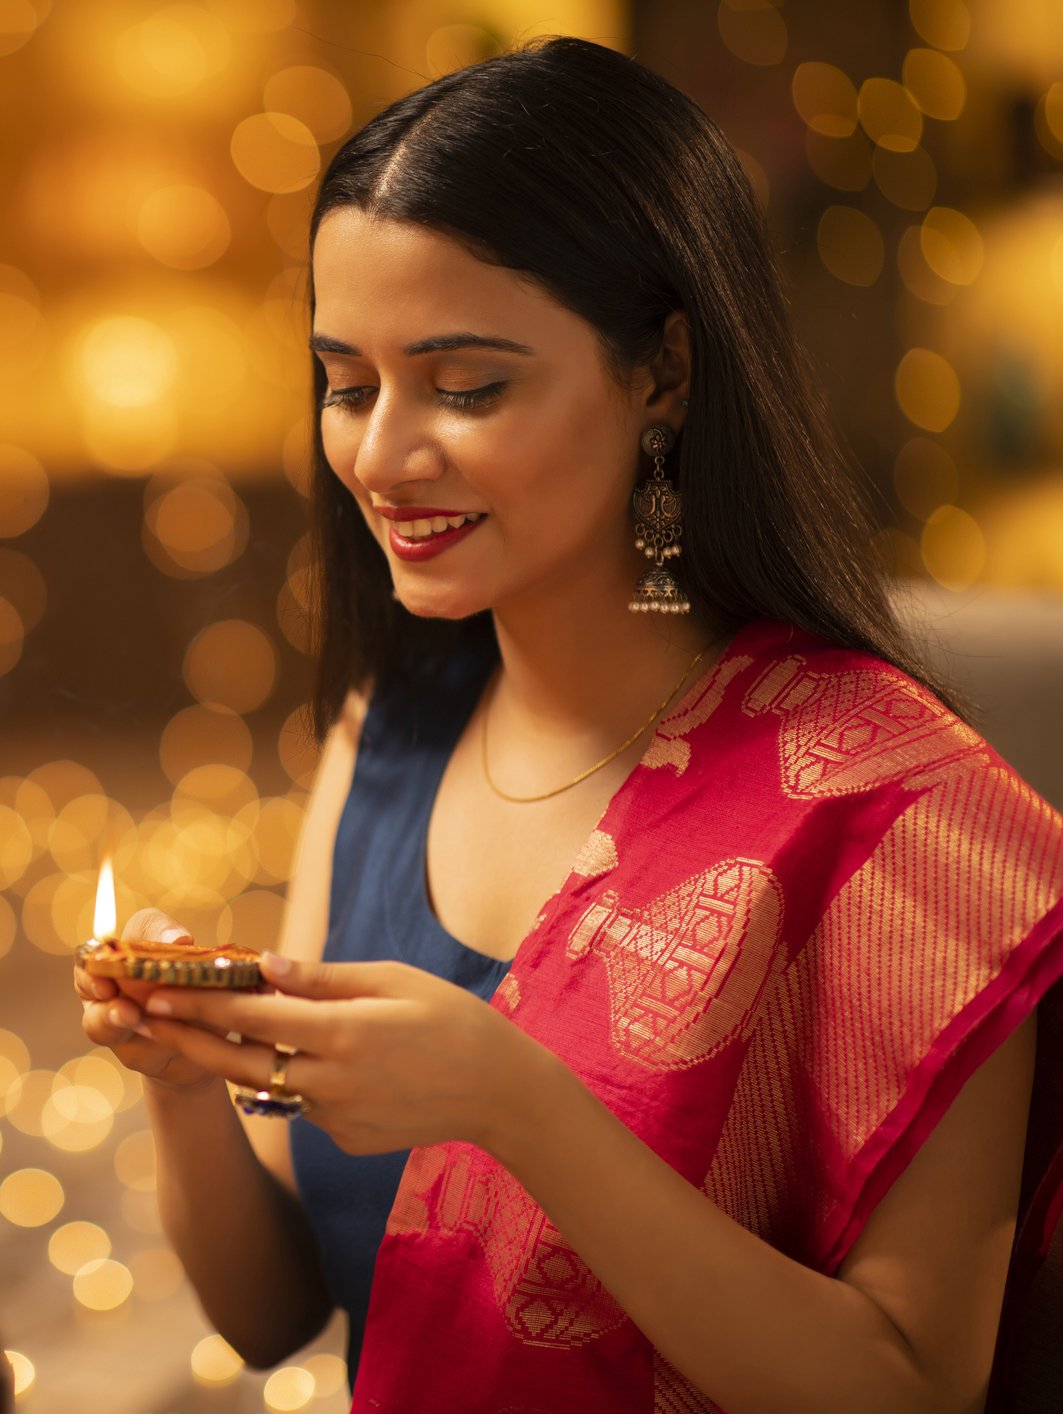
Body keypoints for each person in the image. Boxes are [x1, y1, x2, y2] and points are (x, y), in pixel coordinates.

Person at [75, 36, 1063, 1413]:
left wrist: (516, 1103)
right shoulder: (394, 734)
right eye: (347, 384)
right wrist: (179, 1081)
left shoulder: (898, 819)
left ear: (663, 372)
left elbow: (908, 1390)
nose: (381, 455)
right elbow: (274, 1310)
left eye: (466, 386)